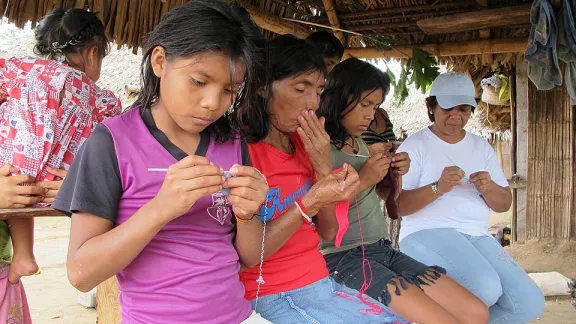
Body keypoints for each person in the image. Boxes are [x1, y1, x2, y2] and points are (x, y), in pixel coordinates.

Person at [52, 2, 272, 323]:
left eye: (229, 90)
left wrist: (247, 213)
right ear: (159, 61)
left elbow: (250, 257)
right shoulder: (112, 142)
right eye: (198, 81)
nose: (213, 104)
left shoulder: (233, 142)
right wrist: (161, 209)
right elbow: (81, 274)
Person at [237, 34, 408, 324]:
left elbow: (327, 232)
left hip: (318, 281)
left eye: (318, 91)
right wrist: (309, 200)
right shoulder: (240, 151)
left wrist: (321, 166)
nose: (312, 103)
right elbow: (253, 255)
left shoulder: (306, 144)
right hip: (271, 293)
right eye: (300, 88)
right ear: (262, 87)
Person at [318, 59, 489, 324]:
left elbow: (391, 208)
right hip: (343, 257)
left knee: (475, 313)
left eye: (375, 107)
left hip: (381, 248)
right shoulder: (320, 147)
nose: (370, 115)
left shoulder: (358, 143)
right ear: (340, 95)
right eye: (364, 105)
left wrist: (393, 176)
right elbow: (317, 214)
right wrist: (364, 179)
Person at [0, 8, 121, 323]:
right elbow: (109, 142)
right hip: (60, 187)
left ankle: (24, 253)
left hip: (14, 177)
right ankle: (29, 257)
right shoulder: (100, 97)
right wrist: (80, 179)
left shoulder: (19, 69)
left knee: (19, 170)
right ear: (93, 52)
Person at [397, 72, 545, 323]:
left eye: (464, 109)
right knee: (484, 289)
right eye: (448, 108)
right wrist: (438, 188)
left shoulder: (480, 147)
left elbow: (504, 203)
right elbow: (399, 207)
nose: (457, 116)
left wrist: (489, 188)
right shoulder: (414, 146)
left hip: (476, 234)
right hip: (425, 232)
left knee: (528, 304)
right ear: (430, 106)